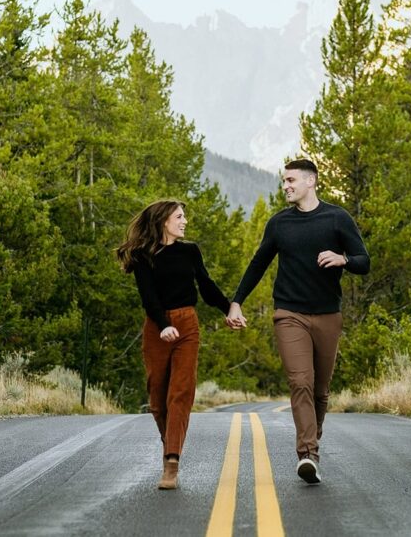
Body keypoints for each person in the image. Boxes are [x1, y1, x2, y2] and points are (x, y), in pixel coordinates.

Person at [225, 158, 369, 484]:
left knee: (320, 391)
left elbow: (364, 261)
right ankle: (307, 454)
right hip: (289, 314)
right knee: (300, 382)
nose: (286, 186)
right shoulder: (279, 224)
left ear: (311, 181)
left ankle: (311, 439)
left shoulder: (337, 218)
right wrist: (236, 303)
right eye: (284, 181)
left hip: (328, 315)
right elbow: (258, 264)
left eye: (291, 180)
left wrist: (342, 258)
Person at [117, 199, 243, 490]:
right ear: (163, 221)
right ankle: (169, 441)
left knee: (181, 393)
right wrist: (163, 326)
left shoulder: (190, 251)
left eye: (184, 216)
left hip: (187, 325)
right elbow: (148, 297)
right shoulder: (142, 255)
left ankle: (171, 461)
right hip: (157, 327)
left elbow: (207, 286)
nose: (184, 221)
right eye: (179, 217)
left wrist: (229, 309)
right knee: (158, 400)